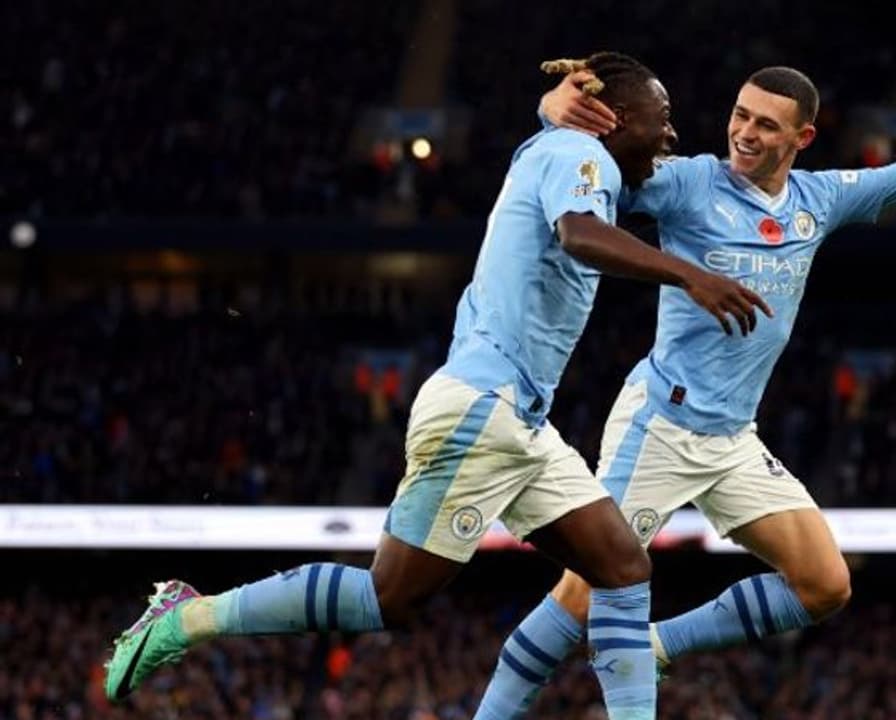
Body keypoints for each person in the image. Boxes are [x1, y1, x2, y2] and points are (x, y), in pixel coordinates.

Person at [102, 52, 771, 720]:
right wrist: (690, 275)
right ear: (617, 118)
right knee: (386, 599)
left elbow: (600, 203)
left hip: (520, 423)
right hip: (485, 408)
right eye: (664, 118)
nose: (673, 134)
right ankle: (190, 617)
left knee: (623, 569)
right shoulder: (576, 153)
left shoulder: (563, 152)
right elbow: (579, 235)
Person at [474, 63, 896, 717]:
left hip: (731, 439)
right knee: (583, 593)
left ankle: (659, 644)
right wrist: (549, 118)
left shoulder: (819, 201)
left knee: (824, 585)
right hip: (659, 428)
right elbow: (579, 174)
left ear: (803, 138)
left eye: (765, 124)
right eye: (740, 115)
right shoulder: (686, 184)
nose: (744, 133)